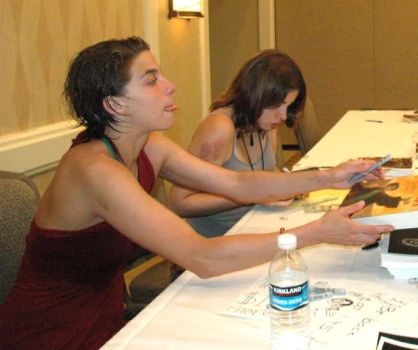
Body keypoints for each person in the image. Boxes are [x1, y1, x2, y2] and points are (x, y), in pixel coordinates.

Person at [0, 37, 391, 350]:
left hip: (106, 318)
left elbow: (238, 184)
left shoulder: (148, 146)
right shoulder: (94, 170)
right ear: (115, 103)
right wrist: (314, 234)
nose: (169, 85)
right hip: (52, 332)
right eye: (151, 79)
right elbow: (200, 256)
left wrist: (330, 177)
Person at [168, 50, 308, 238]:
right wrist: (248, 194)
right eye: (276, 105)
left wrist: (287, 185)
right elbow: (179, 203)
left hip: (253, 228)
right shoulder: (220, 129)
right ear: (255, 95)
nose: (283, 116)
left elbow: (266, 171)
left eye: (288, 107)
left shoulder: (267, 124)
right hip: (214, 242)